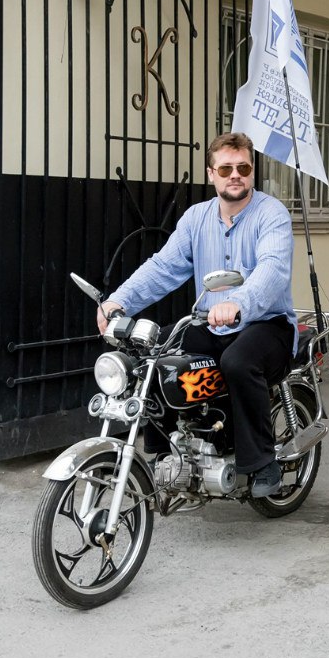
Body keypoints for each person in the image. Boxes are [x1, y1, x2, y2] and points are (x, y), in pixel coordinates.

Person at [97, 132, 296, 497]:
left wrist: (238, 303)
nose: (234, 175)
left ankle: (262, 461)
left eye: (243, 168)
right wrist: (119, 300)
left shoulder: (271, 214)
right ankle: (164, 453)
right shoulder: (195, 218)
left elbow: (272, 269)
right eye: (225, 168)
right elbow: (164, 267)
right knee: (153, 354)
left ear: (252, 171)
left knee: (238, 362)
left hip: (267, 323)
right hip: (210, 323)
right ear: (211, 174)